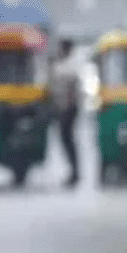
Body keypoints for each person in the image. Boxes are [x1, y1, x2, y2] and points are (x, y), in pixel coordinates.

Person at [52, 38, 81, 187]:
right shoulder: (61, 63)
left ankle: (75, 172)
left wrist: (66, 108)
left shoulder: (72, 65)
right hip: (62, 107)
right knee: (65, 140)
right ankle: (73, 171)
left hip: (68, 109)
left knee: (68, 140)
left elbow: (71, 89)